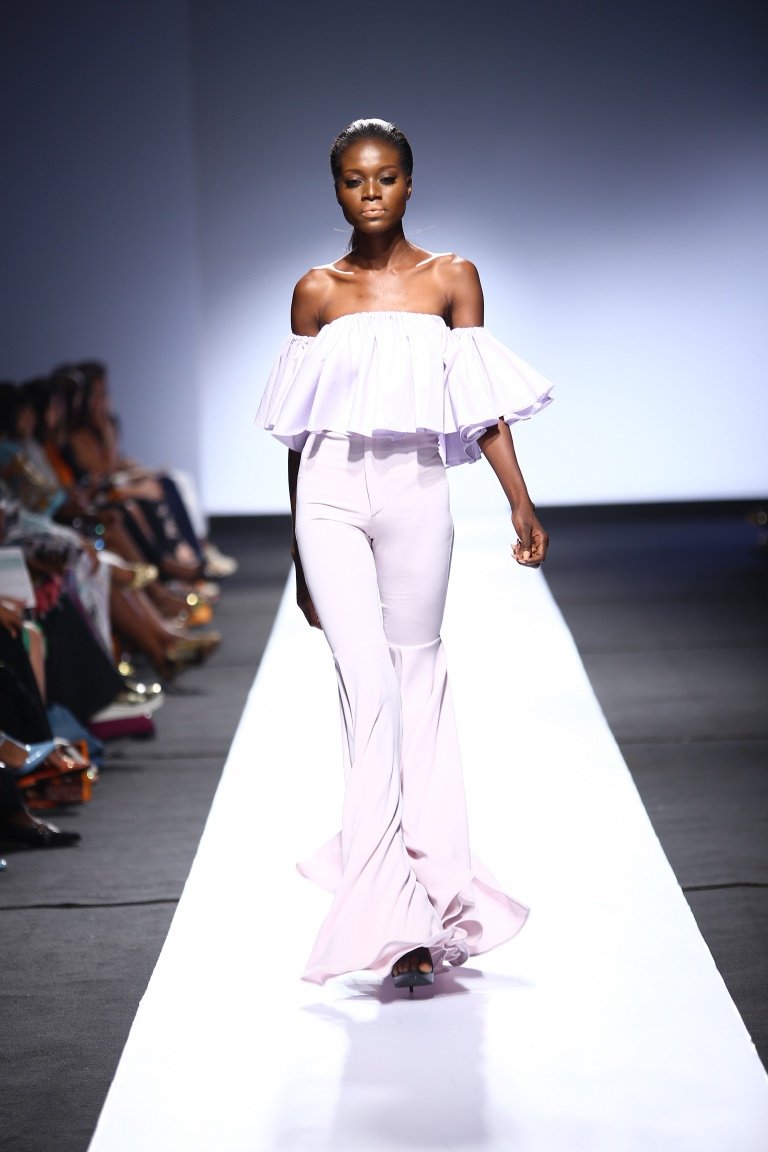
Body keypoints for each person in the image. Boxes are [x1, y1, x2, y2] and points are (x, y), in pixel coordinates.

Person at [256, 118, 553, 992]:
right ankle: (390, 922)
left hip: (420, 493)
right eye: (355, 180)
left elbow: (481, 406)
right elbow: (297, 434)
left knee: (417, 682)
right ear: (338, 190)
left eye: (385, 177)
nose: (371, 192)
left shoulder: (452, 278)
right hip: (330, 498)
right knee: (370, 688)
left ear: (410, 183)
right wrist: (298, 552)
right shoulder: (316, 291)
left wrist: (519, 497)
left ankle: (433, 893)